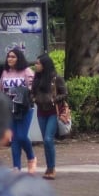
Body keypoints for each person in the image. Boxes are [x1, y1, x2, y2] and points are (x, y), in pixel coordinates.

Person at [0, 48, 37, 173]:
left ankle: (31, 157)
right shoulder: (5, 72)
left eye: (13, 57)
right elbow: (0, 87)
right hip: (10, 109)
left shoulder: (27, 71)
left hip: (25, 108)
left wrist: (25, 92)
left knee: (21, 136)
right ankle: (16, 167)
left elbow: (33, 87)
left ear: (19, 58)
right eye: (9, 56)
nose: (10, 59)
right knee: (14, 137)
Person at [29, 53, 66, 181]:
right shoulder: (37, 78)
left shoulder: (55, 78)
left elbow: (65, 93)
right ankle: (48, 167)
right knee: (46, 141)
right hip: (41, 112)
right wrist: (33, 98)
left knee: (48, 139)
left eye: (38, 63)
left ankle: (52, 168)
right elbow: (32, 92)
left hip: (53, 112)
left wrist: (54, 99)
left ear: (45, 65)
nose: (36, 65)